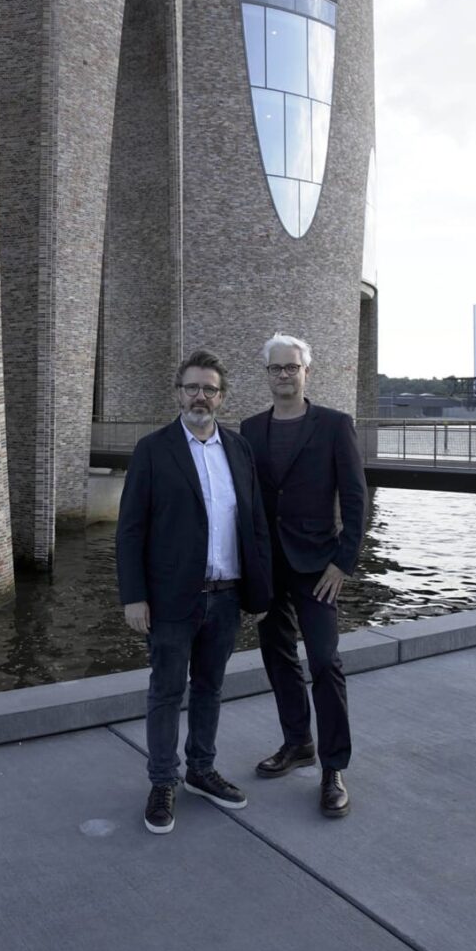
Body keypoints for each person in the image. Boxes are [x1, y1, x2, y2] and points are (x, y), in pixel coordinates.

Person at [116, 349, 272, 835]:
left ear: (221, 397)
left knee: (210, 688)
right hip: (169, 599)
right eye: (191, 387)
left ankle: (201, 770)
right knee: (166, 691)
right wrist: (134, 596)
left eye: (209, 388)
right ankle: (163, 781)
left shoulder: (240, 449)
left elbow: (255, 523)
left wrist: (260, 592)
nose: (199, 396)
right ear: (178, 392)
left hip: (225, 596)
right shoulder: (153, 449)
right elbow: (131, 529)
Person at [240, 333, 367, 818]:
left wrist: (343, 562)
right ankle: (298, 743)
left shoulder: (335, 426)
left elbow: (355, 499)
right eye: (276, 368)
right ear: (266, 374)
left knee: (325, 662)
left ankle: (334, 768)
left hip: (319, 566)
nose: (284, 375)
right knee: (276, 656)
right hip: (268, 565)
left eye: (292, 367)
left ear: (306, 371)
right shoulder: (250, 430)